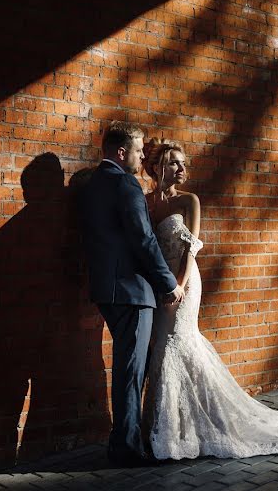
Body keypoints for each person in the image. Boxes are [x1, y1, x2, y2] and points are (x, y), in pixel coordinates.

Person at [141, 139, 278, 460]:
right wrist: (160, 284)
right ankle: (162, 429)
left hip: (184, 284)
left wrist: (179, 285)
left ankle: (195, 426)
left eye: (184, 163)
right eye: (175, 163)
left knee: (178, 342)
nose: (182, 169)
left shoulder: (190, 201)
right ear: (158, 167)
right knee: (159, 346)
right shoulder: (146, 203)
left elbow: (192, 248)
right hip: (159, 284)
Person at [77, 122, 184, 467]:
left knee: (126, 367)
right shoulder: (125, 183)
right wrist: (168, 282)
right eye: (138, 151)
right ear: (121, 153)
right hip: (132, 291)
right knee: (131, 371)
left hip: (105, 289)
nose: (141, 157)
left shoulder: (91, 185)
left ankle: (124, 441)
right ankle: (126, 447)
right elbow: (143, 239)